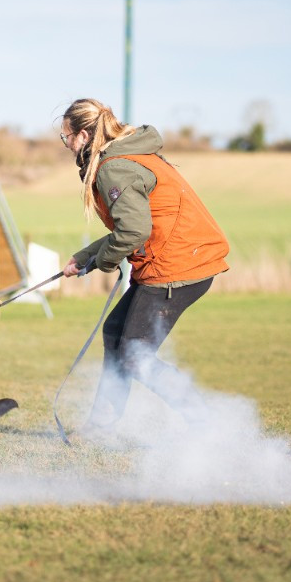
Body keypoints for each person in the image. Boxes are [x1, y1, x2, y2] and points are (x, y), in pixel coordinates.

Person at [59, 98, 230, 432]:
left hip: (176, 267)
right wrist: (86, 258)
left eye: (66, 138)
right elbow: (133, 226)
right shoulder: (127, 155)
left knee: (136, 355)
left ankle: (205, 423)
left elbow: (135, 231)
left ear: (82, 136)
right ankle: (102, 424)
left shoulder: (115, 166)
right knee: (115, 333)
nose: (66, 146)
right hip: (174, 260)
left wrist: (103, 261)